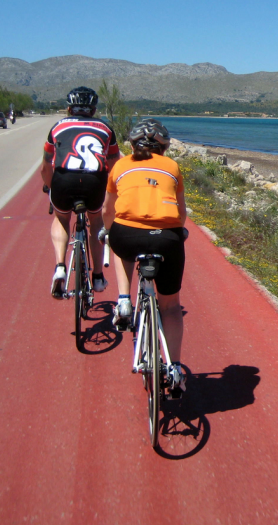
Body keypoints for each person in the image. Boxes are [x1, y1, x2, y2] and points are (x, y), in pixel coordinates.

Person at [103, 118, 188, 395]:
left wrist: (107, 232)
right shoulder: (173, 167)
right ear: (164, 147)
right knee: (171, 306)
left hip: (127, 235)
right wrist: (179, 232)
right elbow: (181, 212)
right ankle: (174, 368)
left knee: (117, 243)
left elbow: (108, 210)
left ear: (131, 144)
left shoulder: (120, 165)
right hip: (167, 238)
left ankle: (124, 300)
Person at [41, 86, 120, 299]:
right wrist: (112, 192)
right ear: (94, 110)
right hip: (94, 181)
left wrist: (49, 186)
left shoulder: (57, 127)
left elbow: (46, 164)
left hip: (64, 179)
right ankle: (97, 276)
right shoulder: (106, 128)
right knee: (96, 223)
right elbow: (115, 165)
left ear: (68, 109)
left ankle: (59, 266)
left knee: (61, 218)